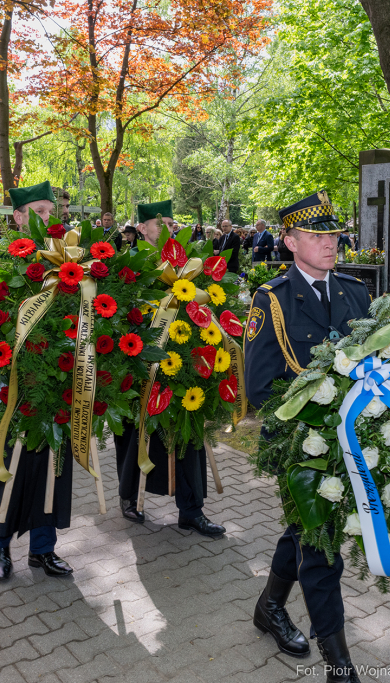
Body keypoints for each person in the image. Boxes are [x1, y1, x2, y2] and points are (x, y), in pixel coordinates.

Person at [243, 191, 372, 683]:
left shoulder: (355, 292)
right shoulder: (270, 300)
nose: (329, 243)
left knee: (303, 533)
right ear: (291, 241)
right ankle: (340, 667)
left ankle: (269, 607)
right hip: (301, 445)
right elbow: (260, 387)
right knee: (319, 544)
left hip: (351, 442)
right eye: (317, 235)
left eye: (333, 234)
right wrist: (311, 426)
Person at [0, 181, 76, 581]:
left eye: (53, 212)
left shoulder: (66, 260)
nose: (50, 219)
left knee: (52, 462)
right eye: (40, 212)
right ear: (17, 217)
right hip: (6, 385)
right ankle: (0, 546)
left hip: (54, 381)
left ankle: (43, 549)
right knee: (5, 464)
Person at [114, 199, 225, 537]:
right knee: (137, 433)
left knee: (190, 434)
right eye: (159, 224)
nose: (167, 229)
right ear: (142, 227)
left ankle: (191, 510)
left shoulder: (185, 261)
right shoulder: (129, 262)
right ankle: (129, 496)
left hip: (183, 359)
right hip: (141, 361)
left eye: (171, 224)